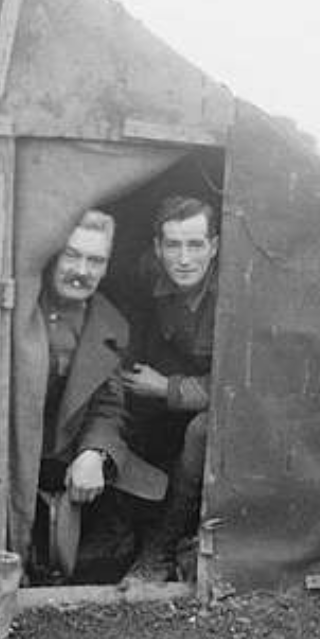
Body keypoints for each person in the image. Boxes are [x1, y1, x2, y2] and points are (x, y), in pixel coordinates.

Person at [34, 209, 157, 583]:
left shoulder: (111, 324)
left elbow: (109, 405)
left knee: (130, 520)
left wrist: (95, 452)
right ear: (52, 255)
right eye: (72, 255)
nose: (82, 270)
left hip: (65, 457)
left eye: (95, 260)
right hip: (11, 458)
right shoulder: (16, 306)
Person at [119, 195, 220, 583]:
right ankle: (118, 528)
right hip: (184, 370)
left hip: (233, 398)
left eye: (195, 245)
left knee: (200, 432)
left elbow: (238, 388)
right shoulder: (148, 271)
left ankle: (161, 548)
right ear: (157, 248)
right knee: (128, 406)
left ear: (214, 247)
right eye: (173, 245)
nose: (184, 259)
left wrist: (167, 388)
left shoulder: (234, 293)